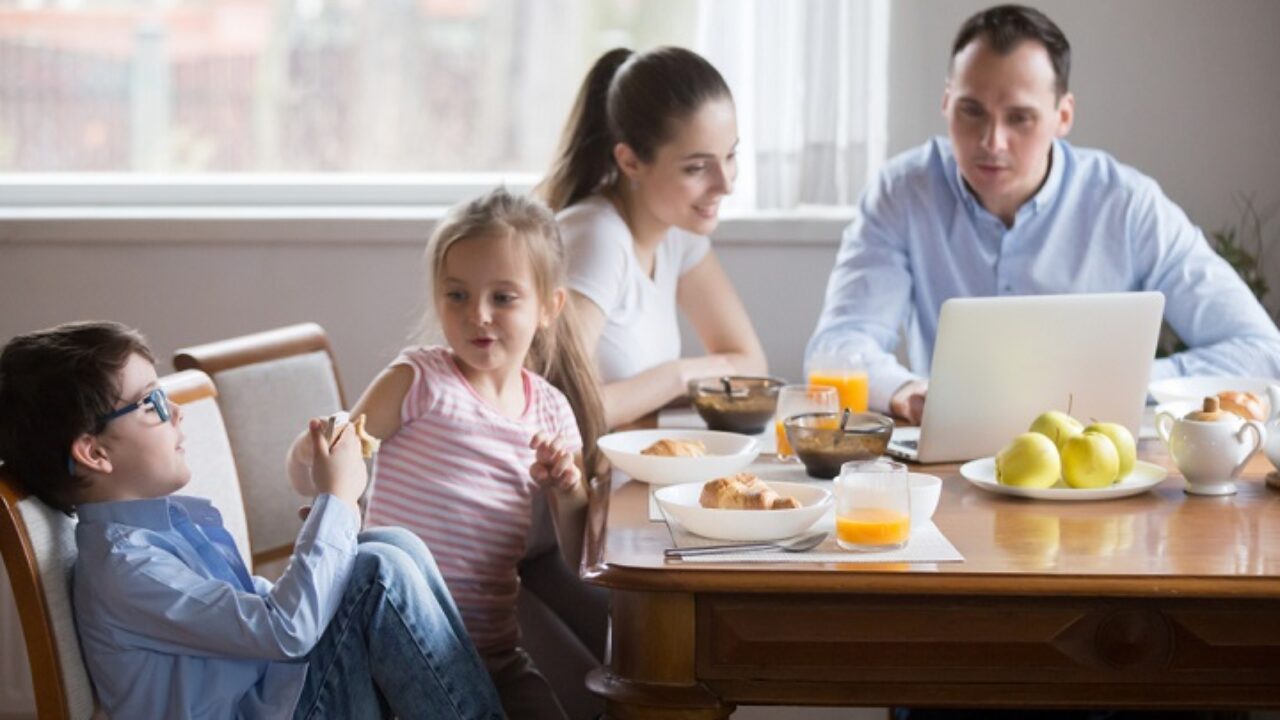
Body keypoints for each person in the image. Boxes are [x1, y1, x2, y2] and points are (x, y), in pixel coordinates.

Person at [0, 321, 503, 720]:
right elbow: (285, 630)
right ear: (94, 453)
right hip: (268, 703)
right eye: (151, 403)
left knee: (389, 545)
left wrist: (332, 526)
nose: (176, 412)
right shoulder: (126, 568)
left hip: (272, 692)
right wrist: (338, 500)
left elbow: (255, 614)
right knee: (376, 576)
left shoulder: (156, 532)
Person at [807, 4, 1280, 426]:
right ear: (946, 101)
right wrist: (906, 390)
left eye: (1020, 117)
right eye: (972, 111)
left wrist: (1128, 382)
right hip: (950, 464)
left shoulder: (1128, 205)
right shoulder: (902, 192)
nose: (992, 141)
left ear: (1063, 116)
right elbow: (836, 348)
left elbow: (1262, 352)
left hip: (1097, 462)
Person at [288, 189, 608, 720]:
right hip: (396, 649)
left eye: (503, 298)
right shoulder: (419, 380)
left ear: (549, 307)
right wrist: (310, 453)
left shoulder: (553, 411)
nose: (478, 314)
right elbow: (325, 468)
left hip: (494, 654)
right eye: (457, 295)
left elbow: (579, 559)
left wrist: (568, 489)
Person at [537, 46, 768, 428]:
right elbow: (562, 410)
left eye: (730, 156)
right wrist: (678, 376)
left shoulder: (678, 232)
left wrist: (674, 379)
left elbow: (752, 368)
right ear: (630, 161)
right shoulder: (598, 237)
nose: (725, 184)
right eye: (697, 167)